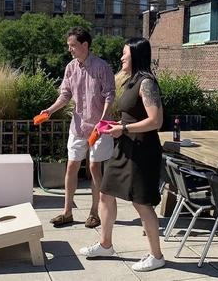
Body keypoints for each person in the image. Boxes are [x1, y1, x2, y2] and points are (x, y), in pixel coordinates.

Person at [79, 37, 165, 272]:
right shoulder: (132, 81)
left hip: (142, 151)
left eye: (124, 54)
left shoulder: (147, 83)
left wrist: (124, 128)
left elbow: (156, 121)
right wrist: (116, 124)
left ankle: (156, 256)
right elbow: (134, 116)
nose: (121, 57)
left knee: (142, 203)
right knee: (106, 192)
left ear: (135, 56)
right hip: (124, 147)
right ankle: (105, 244)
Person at [42, 26, 116, 229]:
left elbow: (110, 95)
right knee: (72, 165)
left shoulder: (102, 67)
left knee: (94, 167)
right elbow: (65, 95)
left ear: (85, 45)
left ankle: (94, 212)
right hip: (78, 126)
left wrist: (102, 121)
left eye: (73, 45)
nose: (70, 49)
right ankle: (67, 212)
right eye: (69, 46)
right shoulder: (70, 68)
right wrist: (49, 111)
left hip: (99, 127)